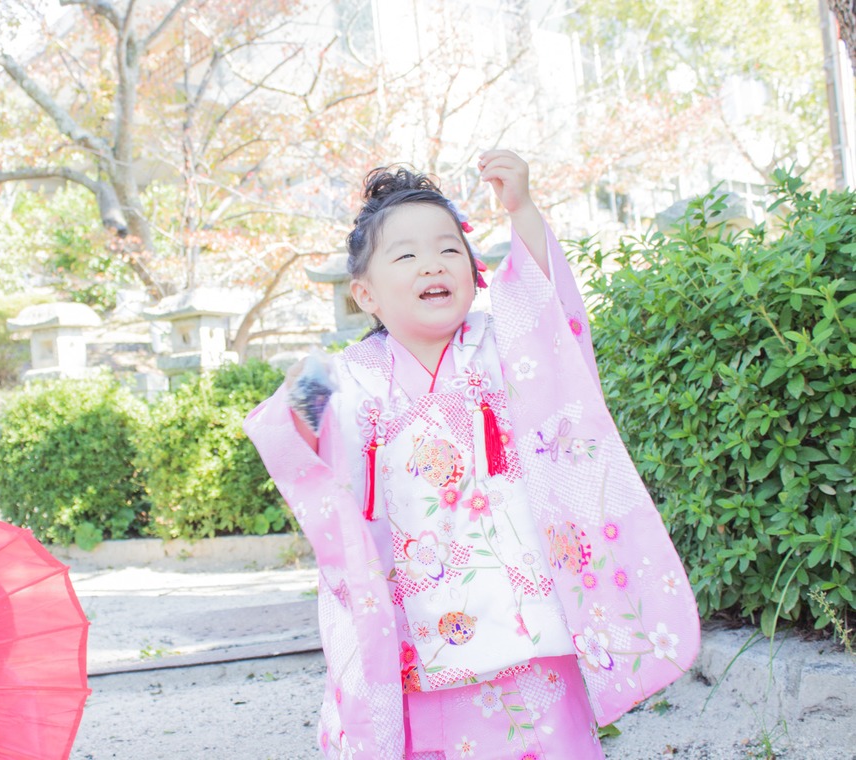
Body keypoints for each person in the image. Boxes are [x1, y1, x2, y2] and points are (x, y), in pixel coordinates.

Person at [243, 151, 700, 759]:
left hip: (527, 619)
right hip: (418, 625)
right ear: (364, 293)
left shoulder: (501, 347)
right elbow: (282, 437)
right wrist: (302, 392)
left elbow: (550, 317)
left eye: (449, 248)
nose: (433, 263)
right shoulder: (346, 376)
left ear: (475, 270)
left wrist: (523, 211)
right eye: (405, 255)